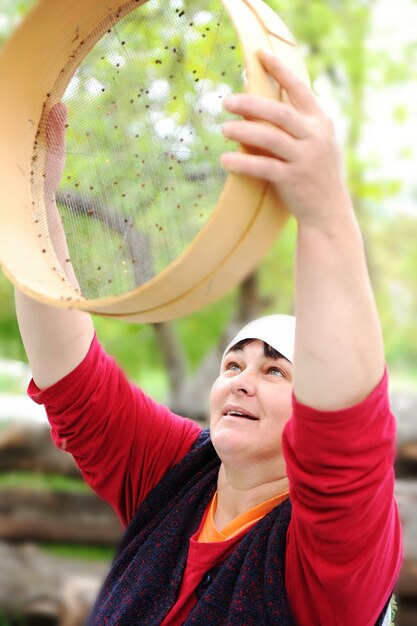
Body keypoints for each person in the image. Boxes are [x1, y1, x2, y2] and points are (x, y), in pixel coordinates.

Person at [14, 49, 402, 625]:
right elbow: (74, 386)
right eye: (233, 365)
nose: (244, 381)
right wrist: (31, 206)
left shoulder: (333, 556)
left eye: (276, 370)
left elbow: (346, 440)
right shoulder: (180, 476)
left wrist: (323, 214)